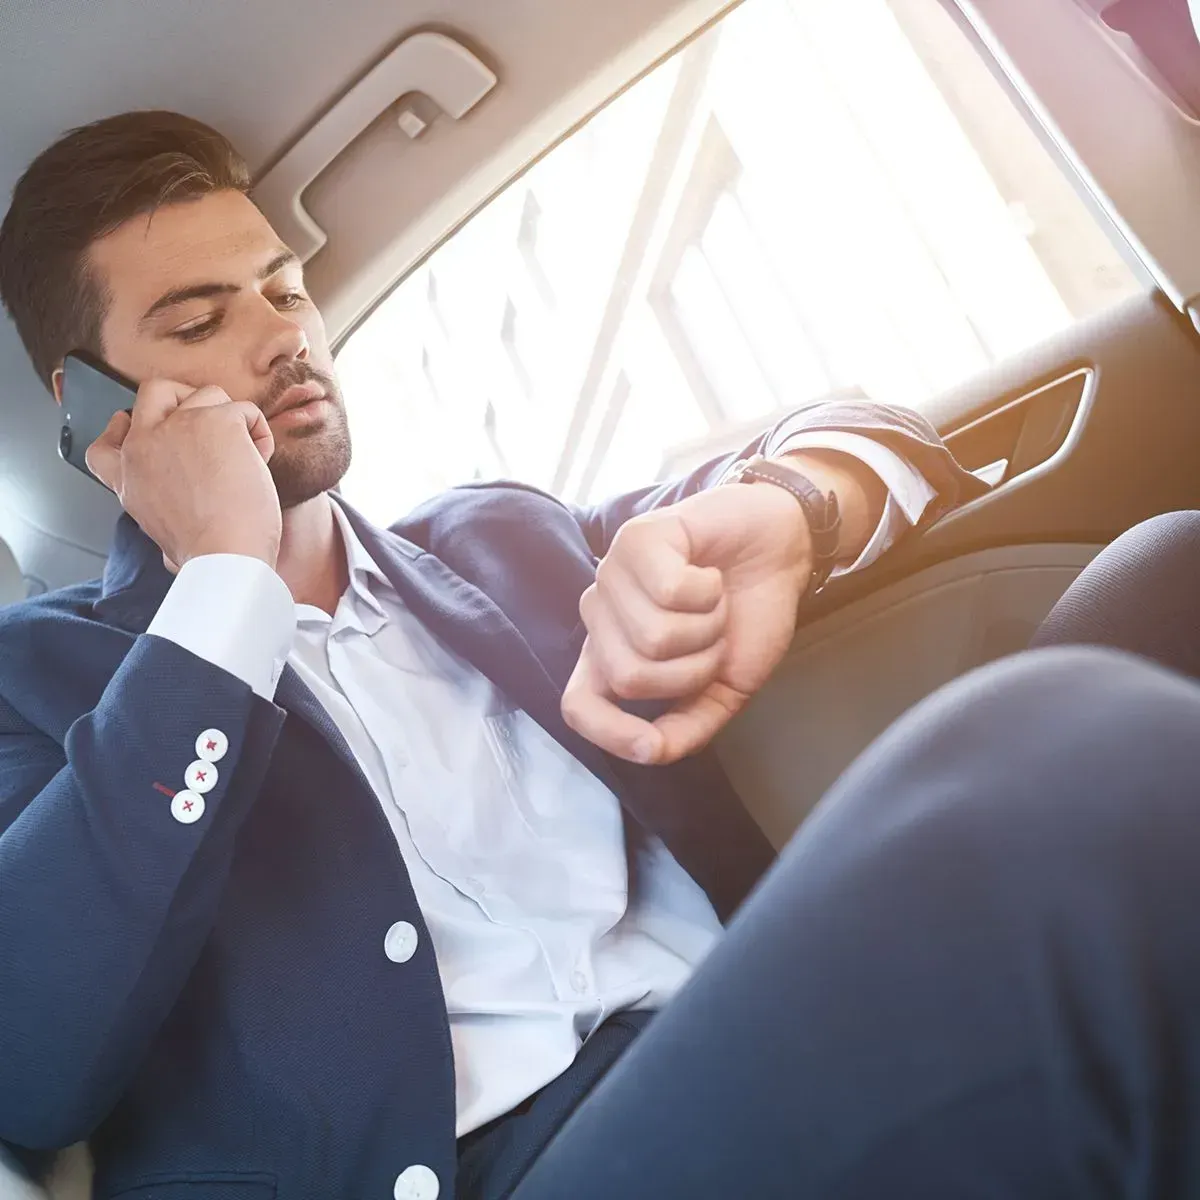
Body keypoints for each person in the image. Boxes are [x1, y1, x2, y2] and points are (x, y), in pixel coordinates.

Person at [0, 109, 1194, 1200]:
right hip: (513, 1173)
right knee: (1075, 750)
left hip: (761, 1042)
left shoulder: (497, 540)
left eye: (286, 289)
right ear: (93, 407)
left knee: (1170, 574)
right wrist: (222, 586)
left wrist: (793, 510)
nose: (283, 337)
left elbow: (862, 433)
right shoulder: (40, 681)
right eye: (204, 320)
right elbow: (26, 1054)